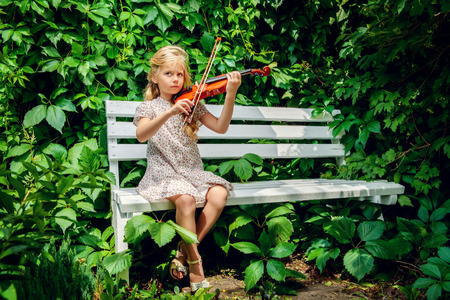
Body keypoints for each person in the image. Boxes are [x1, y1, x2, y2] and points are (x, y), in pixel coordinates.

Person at [133, 45, 241, 292]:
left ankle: (183, 252)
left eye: (179, 74)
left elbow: (221, 127)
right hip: (163, 173)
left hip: (191, 171)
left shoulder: (193, 104)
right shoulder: (148, 108)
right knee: (186, 199)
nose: (175, 79)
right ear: (154, 77)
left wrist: (230, 93)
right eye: (168, 74)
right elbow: (141, 135)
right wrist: (170, 111)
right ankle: (195, 265)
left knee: (219, 193)